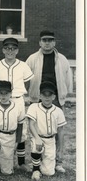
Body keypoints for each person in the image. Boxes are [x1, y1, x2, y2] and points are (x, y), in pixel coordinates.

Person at [26, 30, 73, 173]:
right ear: (40, 42)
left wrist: (63, 97)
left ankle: (58, 161)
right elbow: (26, 79)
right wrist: (30, 96)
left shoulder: (62, 59)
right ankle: (35, 161)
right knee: (36, 131)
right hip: (37, 99)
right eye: (44, 40)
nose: (47, 43)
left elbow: (67, 79)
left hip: (56, 100)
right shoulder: (32, 59)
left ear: (54, 42)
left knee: (57, 131)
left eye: (50, 40)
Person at [0, 37, 34, 172]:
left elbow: (27, 82)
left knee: (20, 131)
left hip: (17, 99)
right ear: (3, 50)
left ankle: (20, 163)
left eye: (13, 48)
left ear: (17, 50)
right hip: (1, 99)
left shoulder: (23, 65)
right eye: (7, 48)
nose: (10, 51)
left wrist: (17, 93)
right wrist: (1, 96)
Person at [26, 81, 67, 181]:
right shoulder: (34, 107)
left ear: (54, 97)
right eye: (44, 95)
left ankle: (40, 162)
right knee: (36, 145)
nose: (47, 98)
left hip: (50, 140)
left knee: (48, 172)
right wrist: (38, 139)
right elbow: (31, 125)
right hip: (38, 136)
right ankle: (35, 169)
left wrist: (60, 149)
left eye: (50, 95)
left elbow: (61, 131)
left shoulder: (58, 111)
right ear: (40, 95)